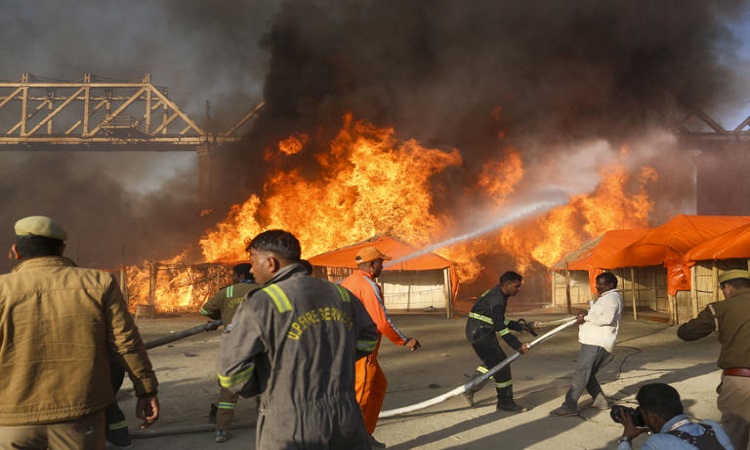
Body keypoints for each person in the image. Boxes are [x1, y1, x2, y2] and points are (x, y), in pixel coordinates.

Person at [0, 216, 159, 449]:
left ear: (15, 251)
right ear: (62, 248)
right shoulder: (99, 282)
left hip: (12, 418)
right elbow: (126, 344)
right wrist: (146, 390)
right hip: (81, 415)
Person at [217, 229, 378, 449]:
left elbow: (231, 373)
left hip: (291, 424)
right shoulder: (340, 294)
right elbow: (369, 339)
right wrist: (334, 360)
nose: (251, 270)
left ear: (271, 263)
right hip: (347, 421)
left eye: (253, 262)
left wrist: (265, 382)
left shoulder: (262, 302)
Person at [340, 246, 422, 448]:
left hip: (349, 347)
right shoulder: (368, 285)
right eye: (381, 263)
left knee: (378, 386)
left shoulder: (348, 281)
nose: (383, 267)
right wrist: (405, 340)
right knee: (361, 397)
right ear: (373, 264)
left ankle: (365, 434)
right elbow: (382, 322)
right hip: (362, 352)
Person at [678, 269, 750, 450]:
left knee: (734, 437)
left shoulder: (720, 308)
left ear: (727, 287)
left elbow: (687, 333)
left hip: (740, 381)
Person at [201, 263, 259, 443]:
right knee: (266, 384)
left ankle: (221, 430)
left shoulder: (227, 292)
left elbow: (204, 310)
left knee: (228, 390)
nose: (231, 278)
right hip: (262, 346)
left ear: (242, 276)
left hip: (235, 347)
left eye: (234, 275)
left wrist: (223, 313)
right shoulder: (265, 289)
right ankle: (269, 423)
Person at [551, 271, 623, 416]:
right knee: (587, 374)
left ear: (610, 285)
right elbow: (598, 313)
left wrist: (586, 318)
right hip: (593, 341)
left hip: (596, 343)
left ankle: (569, 406)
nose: (597, 287)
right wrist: (587, 312)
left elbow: (606, 319)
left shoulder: (611, 298)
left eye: (600, 284)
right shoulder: (606, 297)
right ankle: (600, 401)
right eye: (597, 284)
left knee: (581, 374)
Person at [463, 270, 531, 412]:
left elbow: (496, 319)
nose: (519, 289)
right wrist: (517, 345)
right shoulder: (497, 299)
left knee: (491, 363)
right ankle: (505, 402)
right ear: (507, 285)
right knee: (501, 365)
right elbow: (499, 325)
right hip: (480, 333)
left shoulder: (497, 295)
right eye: (516, 286)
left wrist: (518, 326)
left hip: (479, 330)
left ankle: (470, 388)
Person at [615, 383, 734, 449]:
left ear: (652, 417)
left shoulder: (657, 443)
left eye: (644, 415)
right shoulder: (711, 427)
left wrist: (626, 439)